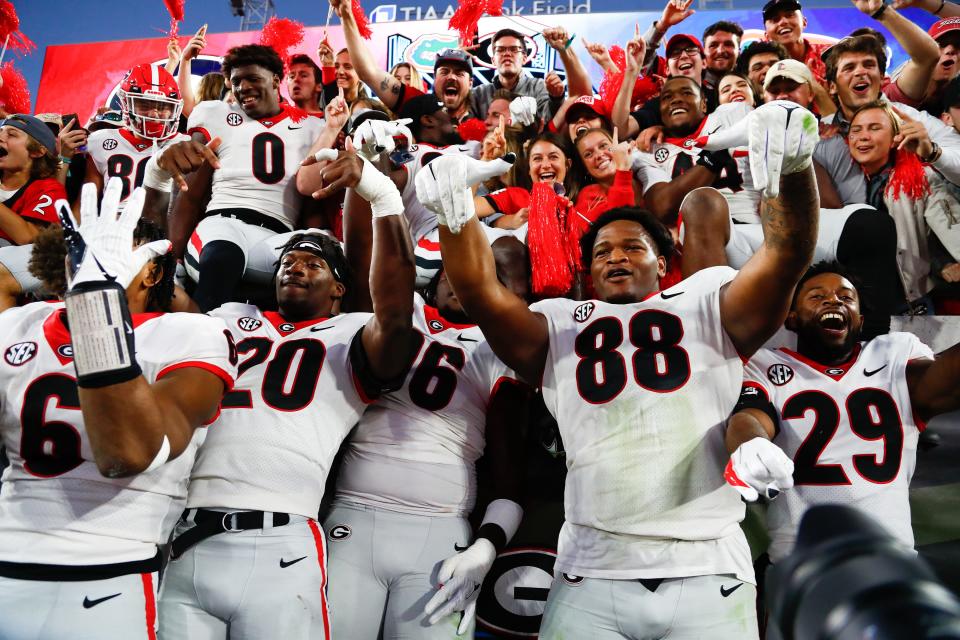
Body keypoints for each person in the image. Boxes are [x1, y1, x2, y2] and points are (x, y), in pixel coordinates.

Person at [416, 100, 821, 639]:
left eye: (633, 245)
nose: (615, 256)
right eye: (602, 249)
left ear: (665, 256)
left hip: (708, 567)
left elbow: (786, 254)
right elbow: (480, 292)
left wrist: (793, 170)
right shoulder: (558, 322)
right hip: (592, 569)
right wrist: (454, 213)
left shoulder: (704, 299)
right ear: (587, 269)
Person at [158, 146, 418, 640]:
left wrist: (382, 197)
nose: (293, 268)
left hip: (282, 539)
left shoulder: (352, 333)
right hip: (186, 532)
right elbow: (150, 283)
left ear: (340, 288)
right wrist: (158, 182)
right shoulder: (227, 316)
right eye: (287, 260)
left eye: (312, 262)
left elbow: (396, 308)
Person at [0, 179, 237, 640]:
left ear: (150, 271)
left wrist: (96, 306)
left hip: (106, 573)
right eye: (83, 245)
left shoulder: (189, 334)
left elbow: (128, 453)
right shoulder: (16, 323)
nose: (91, 257)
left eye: (112, 245)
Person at [323, 210, 531, 638]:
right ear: (434, 278)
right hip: (352, 517)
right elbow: (365, 265)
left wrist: (486, 549)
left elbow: (509, 480)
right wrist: (373, 195)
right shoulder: (406, 311)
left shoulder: (500, 352)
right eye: (451, 272)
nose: (458, 281)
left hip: (440, 535)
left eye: (475, 275)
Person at [728, 261, 960, 566]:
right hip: (802, 561)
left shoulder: (893, 354)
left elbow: (940, 383)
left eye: (845, 297)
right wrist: (750, 444)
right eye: (816, 295)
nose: (833, 300)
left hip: (891, 560)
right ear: (792, 318)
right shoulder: (765, 365)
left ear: (860, 320)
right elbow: (751, 416)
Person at [158, 44, 332, 312]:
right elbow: (189, 194)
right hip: (222, 224)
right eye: (236, 81)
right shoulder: (215, 114)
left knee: (318, 269)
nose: (243, 88)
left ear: (276, 79)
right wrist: (174, 259)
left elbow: (312, 206)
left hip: (277, 235)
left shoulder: (312, 127)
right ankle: (203, 343)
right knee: (223, 259)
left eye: (252, 78)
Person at [83, 64, 188, 217]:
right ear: (126, 103)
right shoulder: (100, 140)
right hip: (113, 226)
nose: (154, 113)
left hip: (164, 226)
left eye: (163, 106)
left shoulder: (185, 144)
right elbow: (87, 202)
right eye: (144, 105)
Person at [0, 115, 67, 311]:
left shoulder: (49, 189)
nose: (2, 137)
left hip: (35, 273)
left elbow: (28, 237)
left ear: (38, 151)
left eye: (12, 134)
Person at [761, 0, 831, 82]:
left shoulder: (830, 54)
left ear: (804, 22)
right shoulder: (764, 69)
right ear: (767, 36)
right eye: (775, 19)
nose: (783, 22)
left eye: (789, 15)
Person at [702, 21, 744, 93]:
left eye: (728, 44)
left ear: (739, 52)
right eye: (713, 45)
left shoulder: (750, 86)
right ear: (703, 52)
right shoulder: (692, 86)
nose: (720, 51)